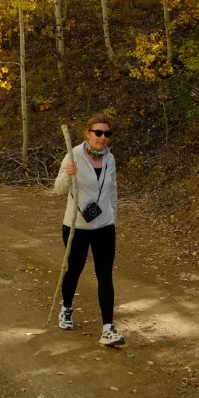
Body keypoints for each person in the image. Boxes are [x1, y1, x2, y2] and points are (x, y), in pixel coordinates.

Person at [54, 116, 125, 347]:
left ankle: (108, 328)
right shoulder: (73, 155)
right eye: (98, 133)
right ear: (87, 133)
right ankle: (66, 309)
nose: (103, 138)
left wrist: (113, 216)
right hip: (77, 226)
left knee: (105, 275)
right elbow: (58, 189)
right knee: (74, 269)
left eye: (107, 134)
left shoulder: (110, 159)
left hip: (104, 225)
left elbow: (112, 189)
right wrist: (68, 174)